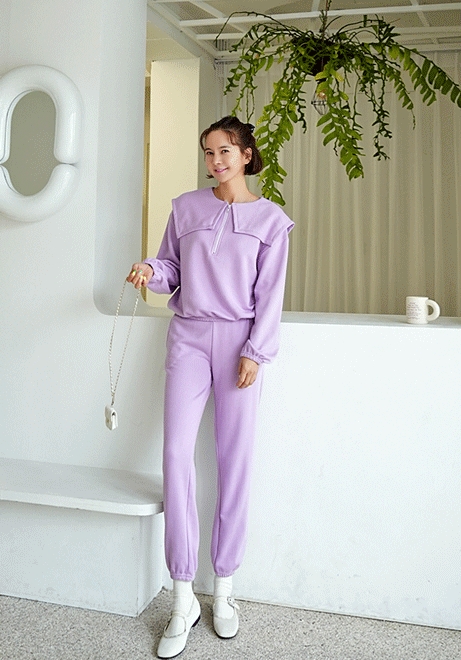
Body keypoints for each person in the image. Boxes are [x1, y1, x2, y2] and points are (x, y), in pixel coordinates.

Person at [127, 116, 294, 659]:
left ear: (246, 154)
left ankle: (224, 589)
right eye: (208, 152)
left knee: (233, 460)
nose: (215, 161)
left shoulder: (271, 221)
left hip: (239, 343)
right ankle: (182, 598)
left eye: (225, 151)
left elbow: (271, 294)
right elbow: (170, 267)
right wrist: (149, 270)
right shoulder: (185, 208)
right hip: (189, 338)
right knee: (176, 455)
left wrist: (256, 351)